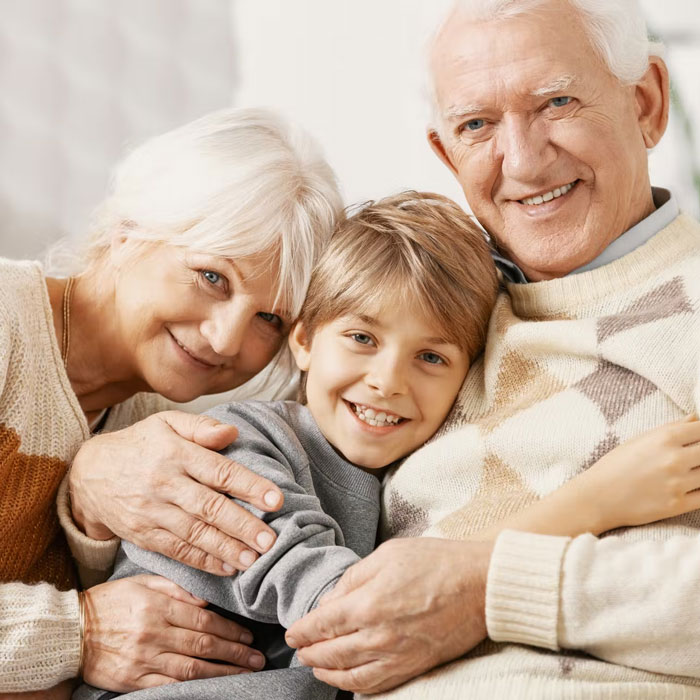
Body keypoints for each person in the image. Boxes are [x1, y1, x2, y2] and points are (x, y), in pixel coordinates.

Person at [79, 192, 700, 700]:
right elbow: (360, 614)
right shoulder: (239, 446)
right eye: (360, 337)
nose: (388, 380)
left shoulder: (392, 479)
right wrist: (597, 500)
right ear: (303, 341)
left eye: (431, 356)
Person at [284, 1, 700, 697]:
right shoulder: (429, 310)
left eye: (558, 102)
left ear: (647, 104)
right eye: (478, 124)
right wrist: (102, 474)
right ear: (446, 151)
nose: (525, 160)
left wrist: (488, 586)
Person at [0, 107, 342, 696]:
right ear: (129, 229)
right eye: (212, 277)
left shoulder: (172, 435)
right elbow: (91, 635)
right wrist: (78, 631)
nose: (228, 339)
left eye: (269, 318)